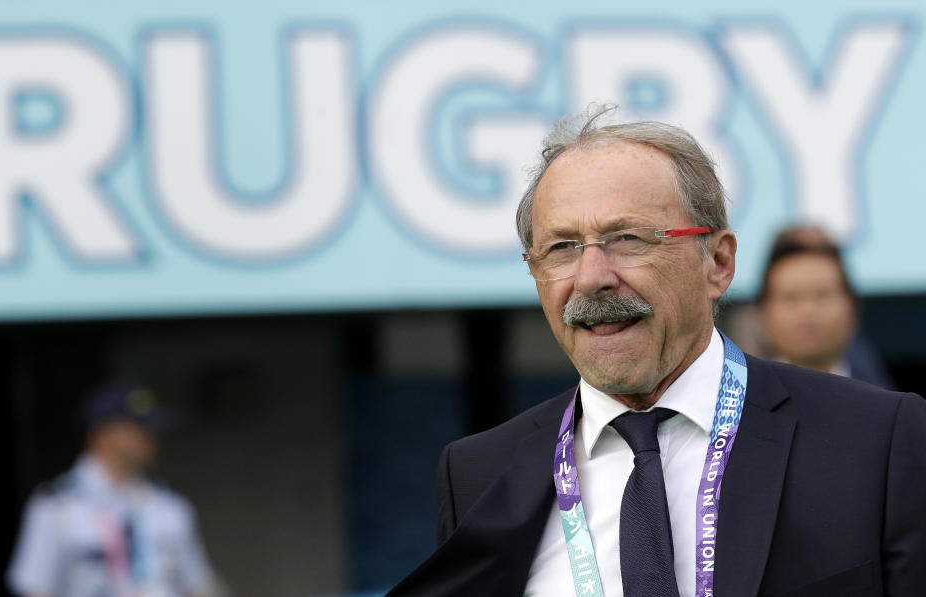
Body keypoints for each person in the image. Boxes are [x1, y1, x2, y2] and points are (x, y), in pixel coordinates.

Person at [388, 106, 926, 596]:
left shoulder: (878, 441)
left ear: (717, 263)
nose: (592, 278)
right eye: (561, 248)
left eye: (628, 239)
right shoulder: (477, 475)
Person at [7, 379, 216, 597]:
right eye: (139, 430)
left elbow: (198, 586)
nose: (150, 438)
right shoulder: (56, 507)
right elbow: (33, 587)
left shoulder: (170, 507)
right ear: (102, 433)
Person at [758, 225, 895, 388]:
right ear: (764, 312)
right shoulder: (743, 400)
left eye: (823, 295)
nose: (808, 311)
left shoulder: (886, 402)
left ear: (852, 306)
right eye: (791, 297)